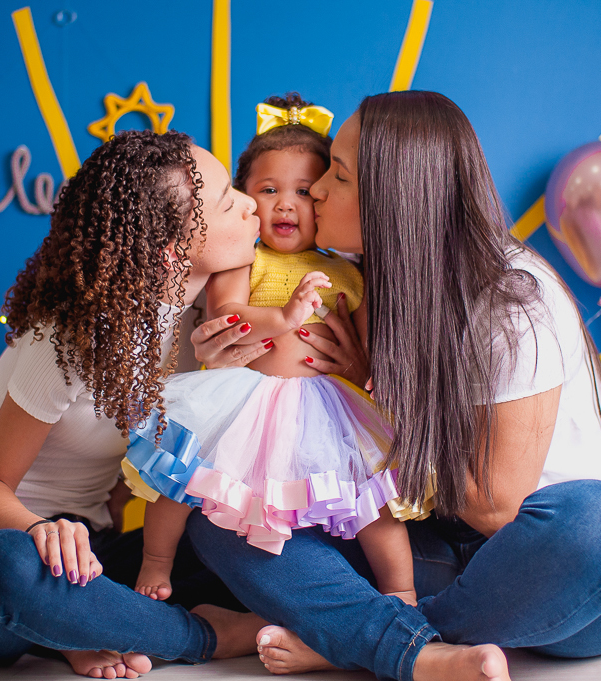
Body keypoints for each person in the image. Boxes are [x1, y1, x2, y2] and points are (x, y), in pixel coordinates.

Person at [186, 91, 601, 681]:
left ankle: (356, 638)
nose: (317, 193)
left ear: (394, 197)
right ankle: (397, 639)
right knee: (219, 513)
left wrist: (371, 389)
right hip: (434, 548)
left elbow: (495, 507)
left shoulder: (510, 300)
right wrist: (225, 357)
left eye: (337, 175)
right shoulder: (361, 285)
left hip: (558, 569)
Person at [0, 130, 271, 679]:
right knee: (4, 569)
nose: (252, 204)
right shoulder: (73, 334)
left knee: (234, 536)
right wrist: (41, 530)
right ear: (174, 251)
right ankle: (201, 637)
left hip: (92, 557)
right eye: (230, 200)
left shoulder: (195, 324)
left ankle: (77, 628)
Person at [125, 94, 417, 608]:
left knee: (374, 502)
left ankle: (401, 589)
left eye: (304, 191)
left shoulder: (349, 270)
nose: (286, 203)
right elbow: (225, 310)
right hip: (247, 400)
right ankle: (155, 561)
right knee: (181, 474)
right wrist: (283, 317)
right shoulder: (245, 258)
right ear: (244, 198)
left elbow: (372, 346)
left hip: (329, 409)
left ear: (325, 198)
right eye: (268, 189)